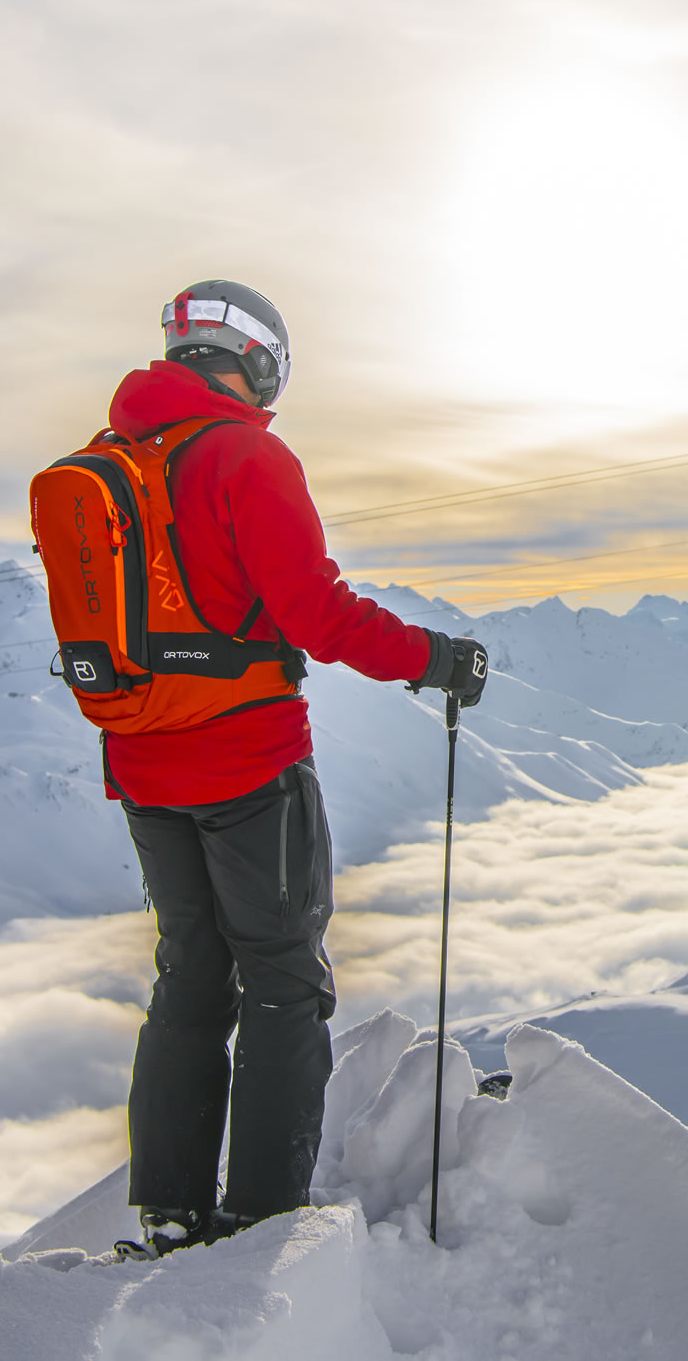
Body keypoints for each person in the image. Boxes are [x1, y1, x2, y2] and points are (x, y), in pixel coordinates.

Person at [92, 280, 487, 1257]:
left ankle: (171, 1210)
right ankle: (262, 1221)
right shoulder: (243, 453)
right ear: (257, 361)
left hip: (142, 763)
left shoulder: (111, 461)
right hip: (247, 761)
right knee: (282, 985)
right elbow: (316, 613)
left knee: (189, 977)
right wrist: (434, 658)